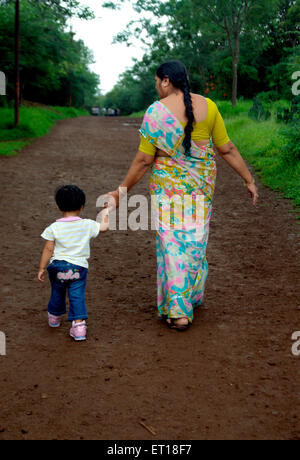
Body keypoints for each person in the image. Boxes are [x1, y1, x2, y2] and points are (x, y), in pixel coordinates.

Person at [104, 60, 259, 332]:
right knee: (195, 240)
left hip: (168, 189)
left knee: (172, 243)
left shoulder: (155, 112)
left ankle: (178, 311)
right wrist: (248, 179)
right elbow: (227, 149)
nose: (156, 86)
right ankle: (191, 295)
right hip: (201, 185)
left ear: (166, 80)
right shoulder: (209, 107)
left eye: (156, 81)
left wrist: (120, 192)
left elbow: (143, 161)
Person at [38, 185, 109, 341]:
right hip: (78, 269)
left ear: (58, 206)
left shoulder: (53, 228)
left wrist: (42, 268)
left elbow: (48, 249)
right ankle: (79, 328)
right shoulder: (88, 224)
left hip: (57, 267)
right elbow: (104, 227)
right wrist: (105, 211)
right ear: (82, 207)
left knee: (57, 291)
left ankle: (54, 318)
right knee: (76, 296)